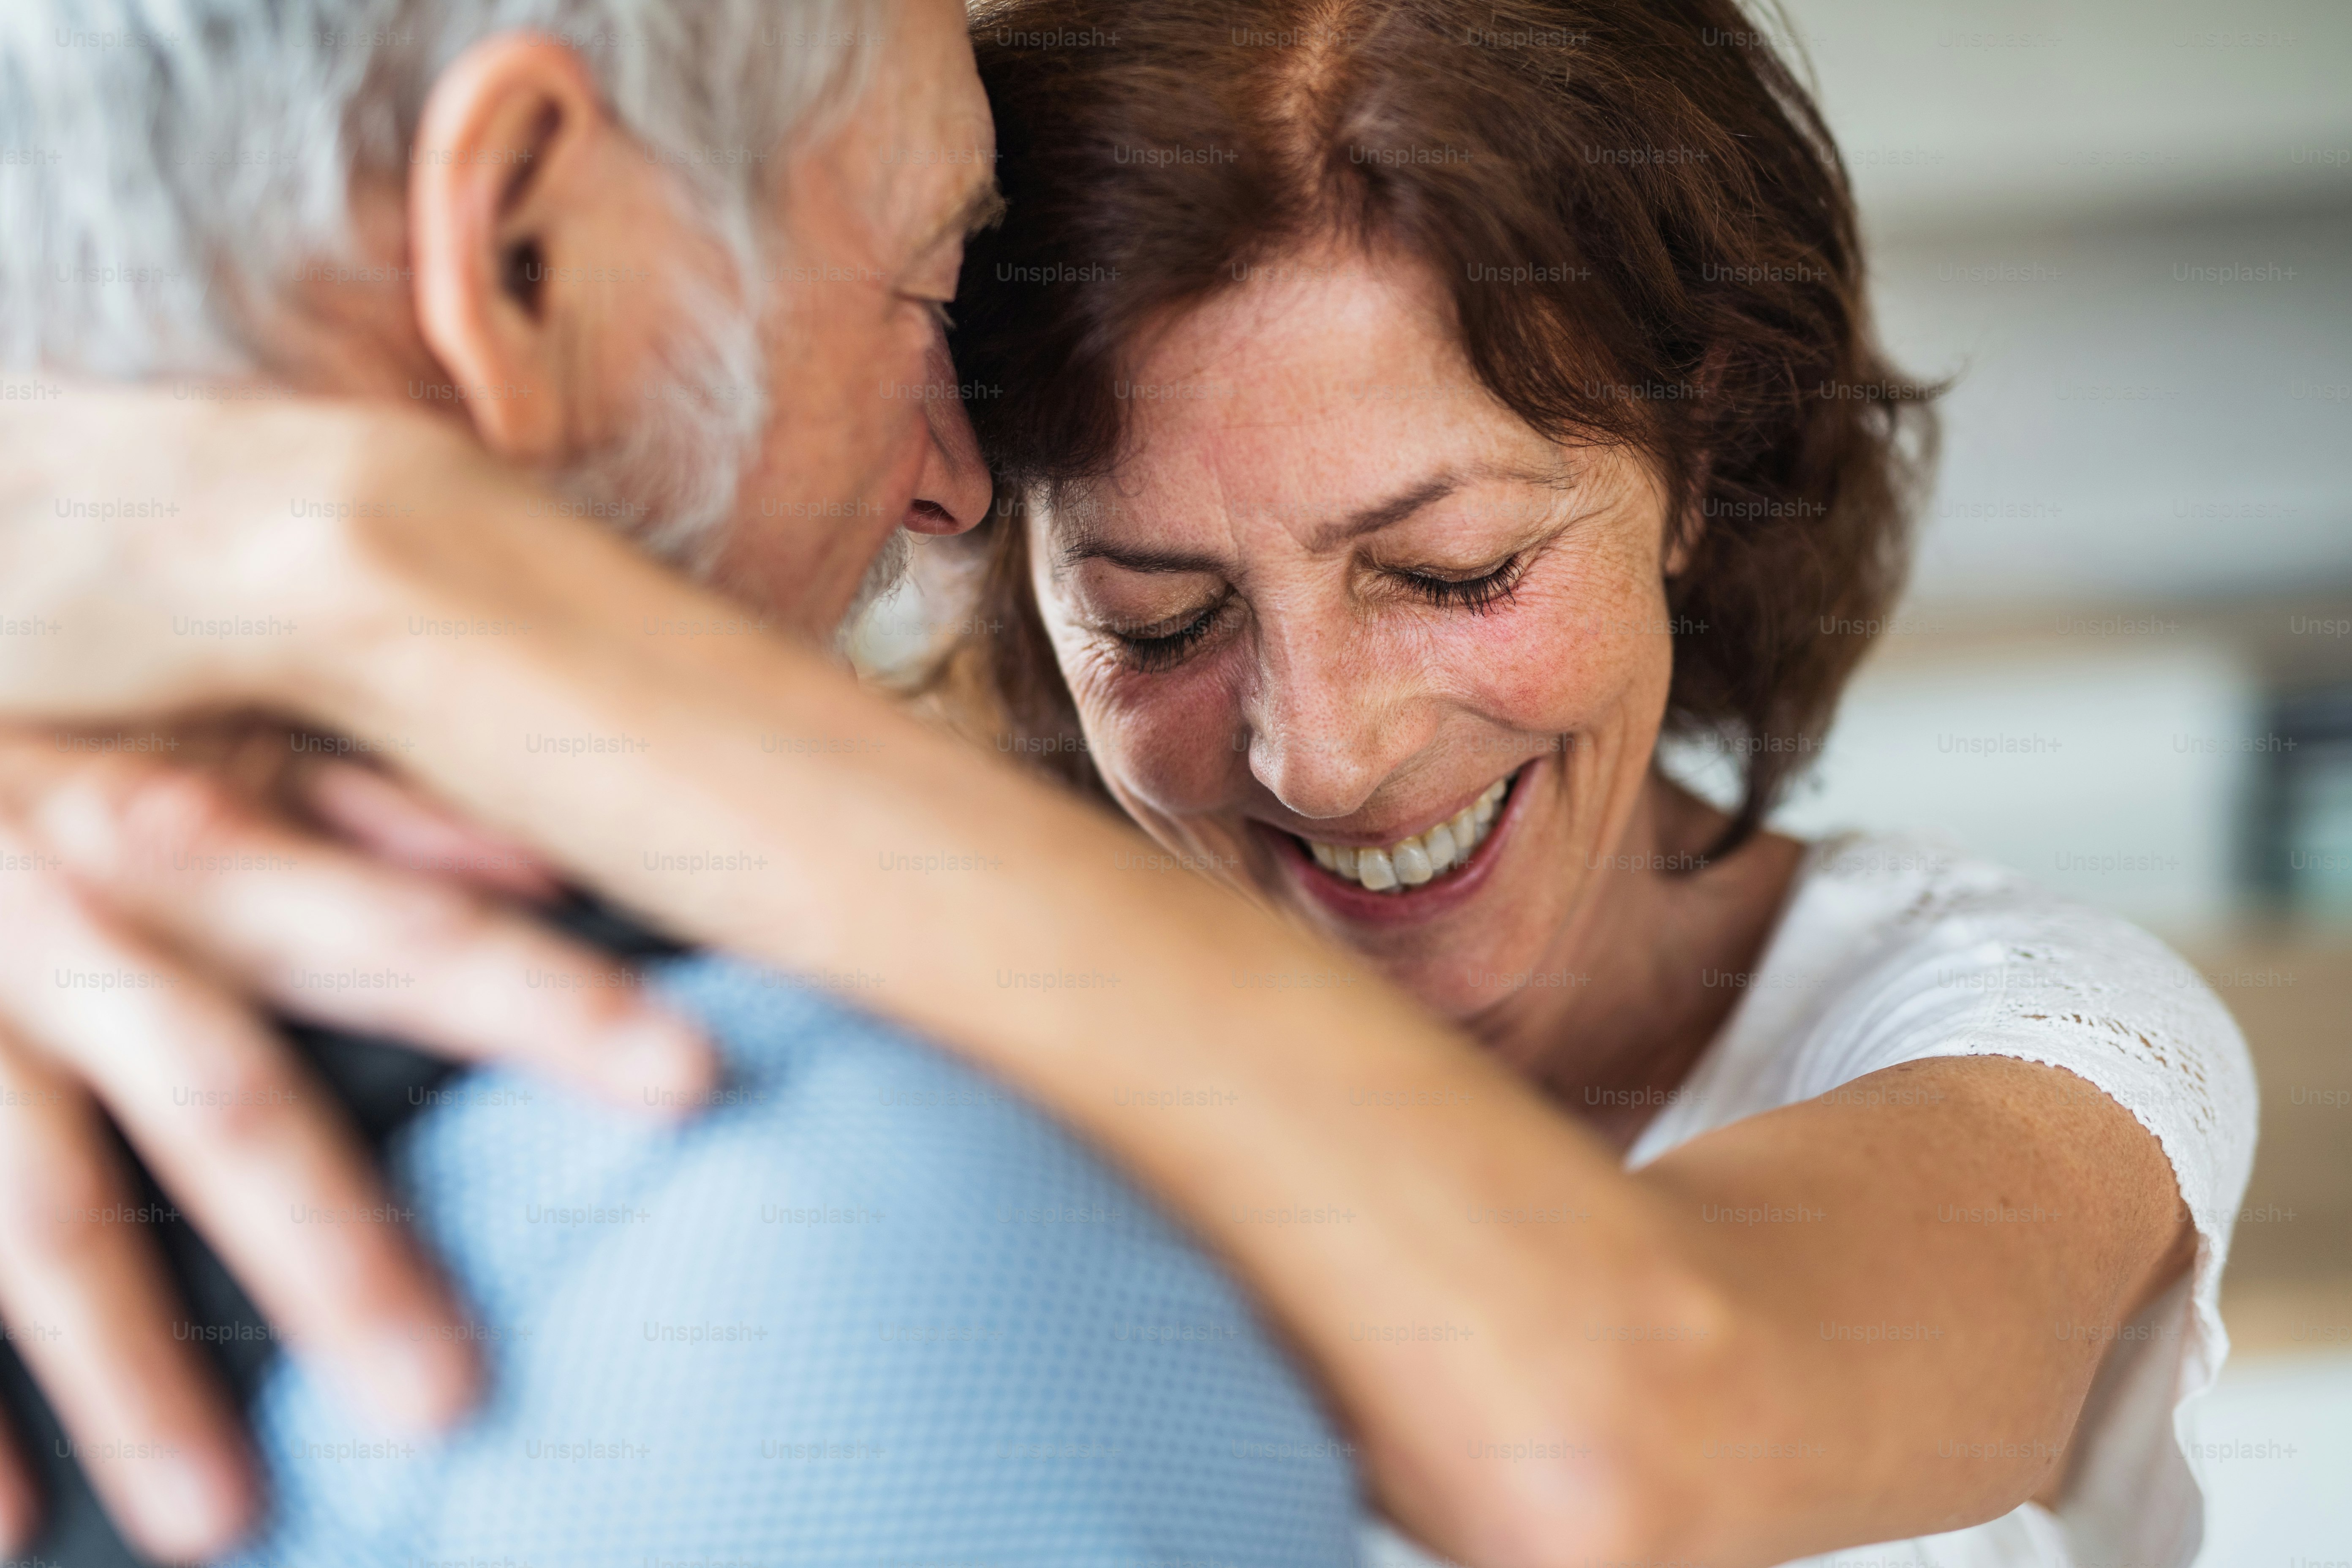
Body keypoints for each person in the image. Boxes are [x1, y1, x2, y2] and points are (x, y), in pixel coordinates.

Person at [0, 3, 2259, 1568]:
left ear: (1703, 468)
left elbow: (1644, 1410)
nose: (1328, 749)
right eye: (1164, 616)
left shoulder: (2039, 1033)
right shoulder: (844, 1001)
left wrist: (367, 555)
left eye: (1456, 568)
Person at [0, 0, 1358, 1562]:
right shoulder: (875, 1260)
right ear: (528, 257)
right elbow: (1651, 1408)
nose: (952, 482)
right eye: (923, 288)